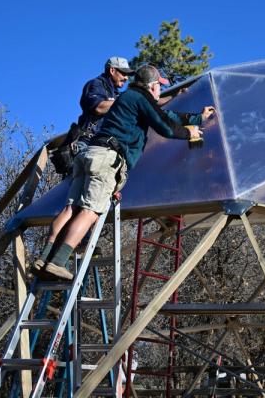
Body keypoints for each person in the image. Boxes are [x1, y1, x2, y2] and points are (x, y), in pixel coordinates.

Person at [36, 64, 216, 280]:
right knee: (90, 211)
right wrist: (190, 133)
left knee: (70, 209)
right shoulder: (140, 98)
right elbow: (165, 126)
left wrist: (196, 118)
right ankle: (57, 262)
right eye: (159, 86)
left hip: (89, 155)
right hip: (106, 159)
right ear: (151, 86)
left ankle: (44, 258)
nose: (160, 90)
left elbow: (166, 115)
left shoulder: (129, 98)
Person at [50, 56, 132, 175]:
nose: (126, 78)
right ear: (112, 70)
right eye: (123, 73)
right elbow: (98, 107)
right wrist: (124, 100)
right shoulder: (96, 84)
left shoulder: (116, 94)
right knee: (83, 183)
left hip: (105, 146)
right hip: (88, 143)